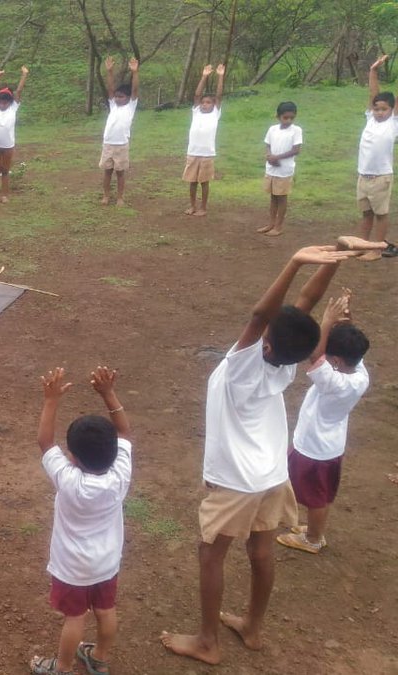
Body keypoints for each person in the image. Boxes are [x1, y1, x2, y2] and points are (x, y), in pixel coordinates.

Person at [159, 243, 381, 666]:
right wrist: (331, 262)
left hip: (238, 481)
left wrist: (297, 261)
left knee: (211, 554)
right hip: (273, 474)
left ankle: (208, 640)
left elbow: (264, 314)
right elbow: (303, 306)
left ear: (265, 341)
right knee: (261, 552)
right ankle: (253, 627)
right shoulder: (288, 363)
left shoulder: (243, 364)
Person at [30, 366, 131, 675]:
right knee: (105, 610)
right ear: (114, 452)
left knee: (75, 618)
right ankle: (99, 659)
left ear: (72, 457)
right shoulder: (120, 473)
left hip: (73, 566)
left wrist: (50, 400)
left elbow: (45, 443)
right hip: (106, 561)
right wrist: (108, 393)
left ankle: (62, 668)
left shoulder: (69, 480)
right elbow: (125, 434)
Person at [276, 292, 369, 554]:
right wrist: (347, 321)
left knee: (316, 499)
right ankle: (313, 531)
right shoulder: (360, 375)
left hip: (314, 450)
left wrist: (327, 321)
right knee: (319, 494)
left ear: (336, 361)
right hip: (327, 446)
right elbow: (352, 348)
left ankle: (313, 539)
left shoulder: (333, 382)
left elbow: (314, 355)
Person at [355, 55, 397, 260]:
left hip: (381, 177)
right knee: (366, 213)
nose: (379, 112)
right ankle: (362, 245)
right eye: (377, 108)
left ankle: (377, 249)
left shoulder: (393, 123)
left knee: (380, 214)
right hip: (363, 175)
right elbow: (373, 93)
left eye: (384, 109)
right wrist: (373, 71)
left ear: (392, 110)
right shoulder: (370, 118)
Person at [184, 64, 225, 217]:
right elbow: (196, 95)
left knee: (204, 182)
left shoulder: (215, 113)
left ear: (213, 105)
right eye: (203, 102)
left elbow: (220, 95)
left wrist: (220, 76)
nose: (205, 105)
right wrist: (204, 76)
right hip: (193, 152)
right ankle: (193, 206)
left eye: (208, 102)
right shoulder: (196, 112)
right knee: (192, 181)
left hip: (207, 153)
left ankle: (203, 207)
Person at [258, 102, 303, 236]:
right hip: (271, 168)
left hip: (284, 170)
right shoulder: (272, 129)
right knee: (273, 197)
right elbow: (268, 144)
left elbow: (296, 150)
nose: (289, 120)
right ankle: (271, 223)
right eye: (285, 117)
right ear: (278, 117)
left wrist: (277, 157)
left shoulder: (296, 130)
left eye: (291, 118)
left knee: (282, 197)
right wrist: (270, 156)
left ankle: (278, 226)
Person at [99, 56, 139, 206]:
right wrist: (109, 71)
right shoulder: (113, 106)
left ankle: (120, 197)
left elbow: (135, 89)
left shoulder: (130, 107)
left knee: (120, 173)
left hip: (121, 145)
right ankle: (106, 196)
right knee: (107, 171)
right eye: (116, 96)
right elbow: (110, 88)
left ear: (128, 98)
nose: (117, 99)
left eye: (121, 97)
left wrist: (135, 72)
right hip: (108, 144)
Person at [0, 65, 29, 204]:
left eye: (5, 102)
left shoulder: (13, 108)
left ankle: (4, 195)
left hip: (8, 145)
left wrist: (24, 75)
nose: (2, 104)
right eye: (0, 101)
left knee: (5, 170)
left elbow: (19, 91)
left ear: (9, 102)